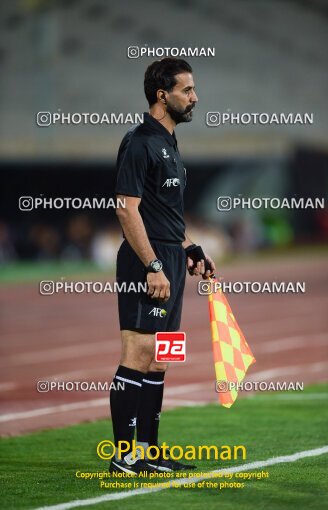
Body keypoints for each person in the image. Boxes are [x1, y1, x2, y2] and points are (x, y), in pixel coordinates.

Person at [110, 57, 216, 475]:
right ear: (162, 95)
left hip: (170, 256)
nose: (195, 97)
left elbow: (165, 215)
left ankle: (150, 452)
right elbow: (126, 210)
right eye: (187, 90)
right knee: (138, 351)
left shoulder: (170, 143)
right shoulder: (139, 142)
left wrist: (191, 250)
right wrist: (153, 264)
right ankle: (123, 455)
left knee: (162, 357)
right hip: (146, 261)